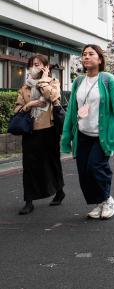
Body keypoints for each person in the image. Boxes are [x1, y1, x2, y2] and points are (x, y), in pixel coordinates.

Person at [60, 44, 114, 220]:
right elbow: (72, 110)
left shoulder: (108, 80)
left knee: (96, 167)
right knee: (84, 172)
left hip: (101, 136)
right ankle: (100, 203)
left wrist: (113, 137)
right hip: (82, 134)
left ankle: (107, 200)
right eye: (84, 54)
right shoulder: (78, 82)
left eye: (91, 54)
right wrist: (67, 135)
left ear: (100, 59)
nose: (86, 57)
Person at [14, 54, 65, 215]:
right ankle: (28, 201)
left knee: (52, 162)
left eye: (39, 64)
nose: (35, 67)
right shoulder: (25, 88)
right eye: (32, 64)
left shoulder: (53, 82)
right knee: (28, 166)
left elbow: (53, 96)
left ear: (46, 67)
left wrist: (43, 79)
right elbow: (17, 110)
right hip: (30, 131)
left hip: (49, 129)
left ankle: (59, 191)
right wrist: (31, 104)